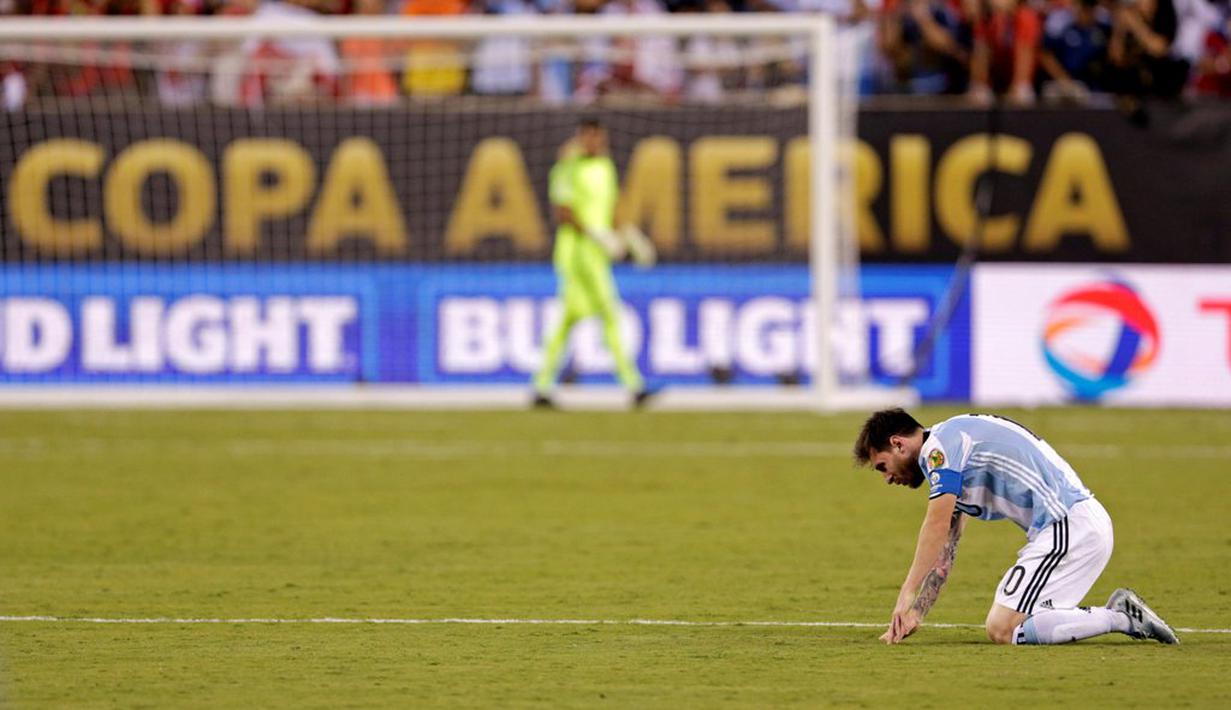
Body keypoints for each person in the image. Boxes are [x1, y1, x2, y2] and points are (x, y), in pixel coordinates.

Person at [853, 408, 1179, 646]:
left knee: (1003, 629)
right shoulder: (951, 448)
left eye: (883, 466)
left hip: (1068, 526)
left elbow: (935, 526)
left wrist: (906, 593)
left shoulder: (938, 450)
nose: (887, 478)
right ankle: (1119, 616)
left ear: (898, 444)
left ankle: (1120, 616)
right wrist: (918, 613)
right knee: (1016, 626)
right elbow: (946, 549)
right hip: (1076, 528)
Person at [532, 118, 650, 409]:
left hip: (597, 252)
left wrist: (630, 236)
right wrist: (596, 235)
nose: (595, 142)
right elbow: (562, 212)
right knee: (609, 312)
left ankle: (542, 386)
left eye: (600, 137)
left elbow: (611, 210)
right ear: (581, 137)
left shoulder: (605, 167)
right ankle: (634, 385)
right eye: (590, 137)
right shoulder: (567, 168)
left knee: (568, 319)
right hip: (576, 251)